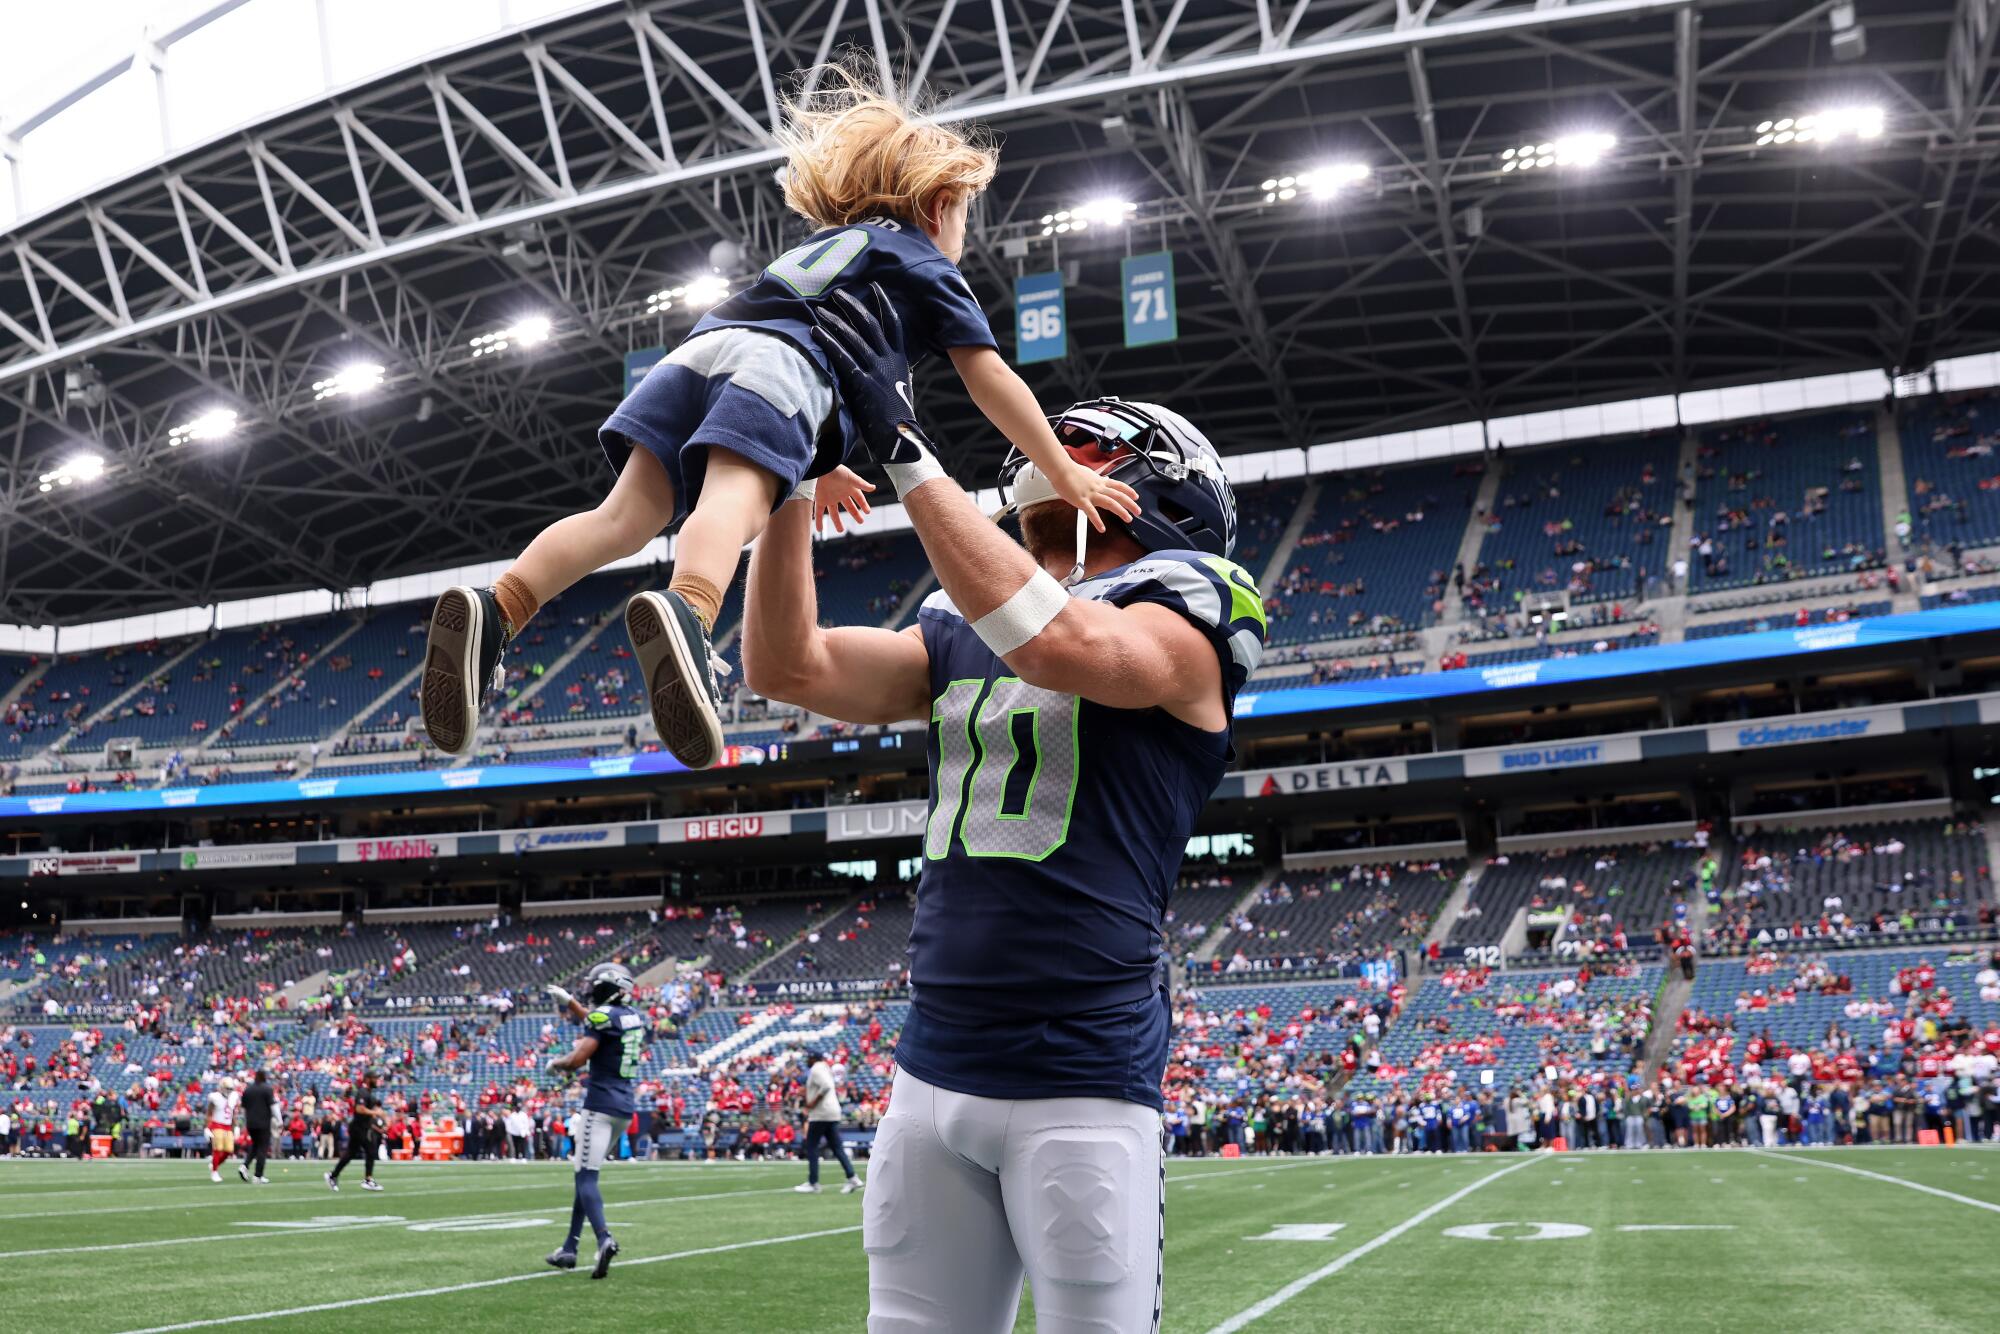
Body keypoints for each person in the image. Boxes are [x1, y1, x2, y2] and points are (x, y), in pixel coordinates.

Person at [743, 287, 1264, 1332]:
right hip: (930, 1061)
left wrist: (902, 447)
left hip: (1078, 1068)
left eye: (1080, 444)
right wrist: (787, 485)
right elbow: (787, 666)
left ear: (1161, 479)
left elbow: (1064, 648)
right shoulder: (960, 616)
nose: (1046, 453)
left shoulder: (1196, 593)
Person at [416, 63, 1135, 770]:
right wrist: (1061, 470)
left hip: (698, 352)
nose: (961, 238)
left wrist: (819, 463)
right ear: (937, 204)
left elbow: (797, 348)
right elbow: (989, 378)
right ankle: (690, 609)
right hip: (781, 368)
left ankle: (500, 608)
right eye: (963, 219)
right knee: (735, 497)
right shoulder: (924, 261)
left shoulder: (826, 245)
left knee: (622, 517)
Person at [542, 961, 645, 1280]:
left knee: (586, 1178)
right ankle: (569, 1248)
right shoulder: (631, 1016)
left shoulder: (605, 1017)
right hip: (623, 1109)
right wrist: (571, 1002)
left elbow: (578, 1059)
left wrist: (556, 1063)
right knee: (583, 1176)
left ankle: (604, 1239)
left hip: (600, 1105)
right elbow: (601, 1022)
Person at [794, 1048, 861, 1194]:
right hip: (832, 1112)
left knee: (811, 1146)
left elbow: (826, 1086)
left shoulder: (816, 1069)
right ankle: (852, 1178)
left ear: (813, 1058)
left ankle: (813, 1183)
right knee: (837, 1147)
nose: (807, 1060)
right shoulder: (825, 1068)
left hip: (821, 1113)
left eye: (809, 1058)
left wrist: (812, 1102)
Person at [326, 1075, 386, 1192]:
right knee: (370, 1150)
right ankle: (368, 1180)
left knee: (350, 1154)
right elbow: (359, 1109)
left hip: (362, 1127)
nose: (377, 1080)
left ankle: (333, 1175)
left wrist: (375, 1114)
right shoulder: (363, 1092)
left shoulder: (368, 1093)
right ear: (368, 1079)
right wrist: (375, 1113)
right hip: (359, 1128)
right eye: (374, 1078)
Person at [237, 1069, 275, 1184]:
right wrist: (279, 1121)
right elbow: (273, 1106)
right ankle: (258, 1175)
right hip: (263, 1123)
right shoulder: (267, 1089)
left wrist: (246, 1122)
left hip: (251, 1123)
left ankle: (244, 1166)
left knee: (255, 1146)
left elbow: (243, 1108)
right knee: (262, 1148)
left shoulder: (248, 1089)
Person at [205, 1077, 239, 1183]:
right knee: (217, 1149)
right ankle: (214, 1172)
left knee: (229, 1150)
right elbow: (209, 1113)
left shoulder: (233, 1097)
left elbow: (233, 1114)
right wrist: (207, 1128)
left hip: (228, 1126)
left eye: (230, 1089)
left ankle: (214, 1165)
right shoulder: (215, 1097)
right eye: (227, 1088)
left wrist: (236, 1126)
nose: (228, 1091)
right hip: (217, 1125)